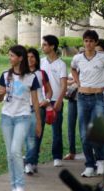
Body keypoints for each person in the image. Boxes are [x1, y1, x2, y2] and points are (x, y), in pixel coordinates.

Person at [71, 30, 104, 177]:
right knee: (83, 134)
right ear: (83, 42)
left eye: (91, 41)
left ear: (96, 43)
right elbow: (73, 69)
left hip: (98, 97)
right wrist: (77, 82)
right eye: (86, 41)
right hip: (82, 97)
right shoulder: (77, 58)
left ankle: (100, 160)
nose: (88, 44)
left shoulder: (102, 57)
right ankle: (89, 164)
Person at [0, 45, 41, 191]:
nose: (10, 58)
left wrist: (38, 122)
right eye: (9, 55)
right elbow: (0, 98)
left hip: (23, 117)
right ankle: (14, 187)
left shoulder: (31, 77)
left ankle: (21, 187)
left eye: (12, 55)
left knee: (16, 150)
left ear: (20, 58)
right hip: (6, 117)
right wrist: (0, 94)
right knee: (10, 154)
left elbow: (35, 102)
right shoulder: (5, 75)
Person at [40, 35, 67, 167]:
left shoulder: (61, 64)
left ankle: (57, 157)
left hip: (56, 100)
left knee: (56, 131)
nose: (42, 47)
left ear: (52, 47)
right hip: (41, 101)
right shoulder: (40, 62)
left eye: (45, 44)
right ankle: (33, 158)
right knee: (38, 129)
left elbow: (63, 85)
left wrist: (59, 101)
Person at [24, 48, 52, 174]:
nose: (30, 59)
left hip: (38, 108)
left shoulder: (41, 73)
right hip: (24, 108)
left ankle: (30, 162)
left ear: (36, 59)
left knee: (36, 136)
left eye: (32, 57)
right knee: (29, 137)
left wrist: (47, 100)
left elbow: (49, 90)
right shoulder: (21, 74)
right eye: (27, 56)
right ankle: (32, 162)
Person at [63, 73, 78, 160]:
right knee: (70, 126)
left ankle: (91, 151)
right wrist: (74, 81)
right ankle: (72, 152)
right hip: (72, 100)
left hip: (84, 101)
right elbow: (66, 81)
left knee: (84, 127)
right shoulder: (72, 71)